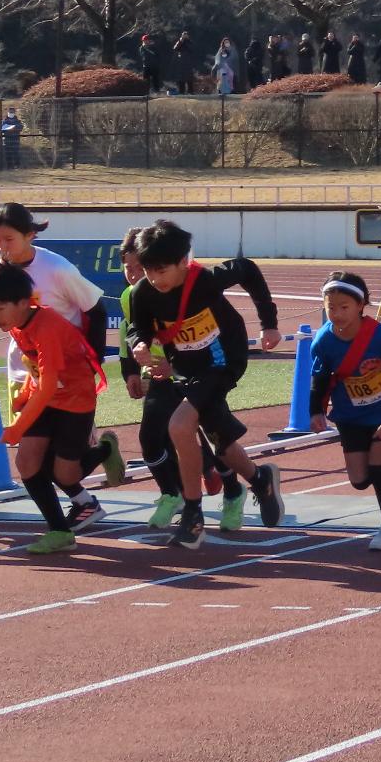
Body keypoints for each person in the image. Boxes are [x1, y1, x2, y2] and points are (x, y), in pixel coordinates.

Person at [121, 219, 286, 550]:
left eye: (162, 270)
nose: (155, 279)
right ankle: (260, 480)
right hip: (186, 367)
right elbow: (138, 328)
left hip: (224, 360)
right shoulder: (144, 293)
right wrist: (139, 343)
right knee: (220, 443)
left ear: (184, 261)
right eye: (149, 270)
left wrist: (269, 324)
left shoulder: (206, 280)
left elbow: (249, 270)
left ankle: (193, 517)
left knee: (180, 425)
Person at [0, 262, 124, 554]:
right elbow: (40, 375)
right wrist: (24, 396)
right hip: (47, 399)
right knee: (27, 463)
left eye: (0, 309)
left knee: (65, 474)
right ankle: (59, 530)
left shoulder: (48, 327)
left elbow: (49, 382)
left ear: (23, 301)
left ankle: (104, 450)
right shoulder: (19, 325)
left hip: (75, 400)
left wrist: (18, 425)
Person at [117, 226, 241, 532]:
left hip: (194, 368)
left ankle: (232, 490)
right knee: (151, 438)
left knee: (213, 436)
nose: (136, 274)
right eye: (130, 267)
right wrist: (131, 368)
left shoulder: (190, 285)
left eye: (141, 267)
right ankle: (173, 496)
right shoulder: (133, 294)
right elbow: (130, 332)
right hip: (160, 376)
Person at [307, 272, 381, 551]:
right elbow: (320, 378)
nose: (336, 313)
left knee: (377, 466)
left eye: (344, 307)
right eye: (331, 307)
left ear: (361, 305)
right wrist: (316, 411)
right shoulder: (323, 341)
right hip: (350, 414)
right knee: (360, 480)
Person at [0, 204, 109, 424]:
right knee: (28, 450)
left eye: (9, 239)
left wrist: (92, 363)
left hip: (68, 369)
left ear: (30, 235)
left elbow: (96, 311)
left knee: (69, 448)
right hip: (24, 373)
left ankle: (102, 450)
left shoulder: (57, 268)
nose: (1, 246)